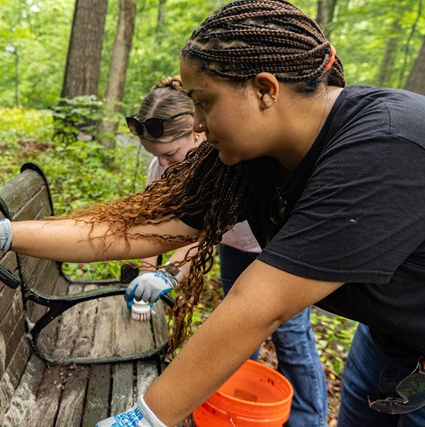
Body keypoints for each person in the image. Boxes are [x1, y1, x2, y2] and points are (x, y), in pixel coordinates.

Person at [0, 1, 425, 425]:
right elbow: (137, 230)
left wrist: (147, 416)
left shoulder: (385, 146)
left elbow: (257, 305)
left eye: (204, 103)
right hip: (390, 349)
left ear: (265, 90)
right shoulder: (254, 158)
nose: (196, 122)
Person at [127, 75, 328, 426]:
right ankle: (235, 402)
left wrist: (171, 272)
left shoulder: (231, 153)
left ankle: (308, 420)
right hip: (235, 246)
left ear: (197, 131)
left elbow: (204, 226)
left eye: (171, 153)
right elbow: (159, 226)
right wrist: (147, 273)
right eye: (156, 156)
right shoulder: (161, 166)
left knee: (291, 336)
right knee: (237, 329)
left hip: (276, 246)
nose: (165, 164)